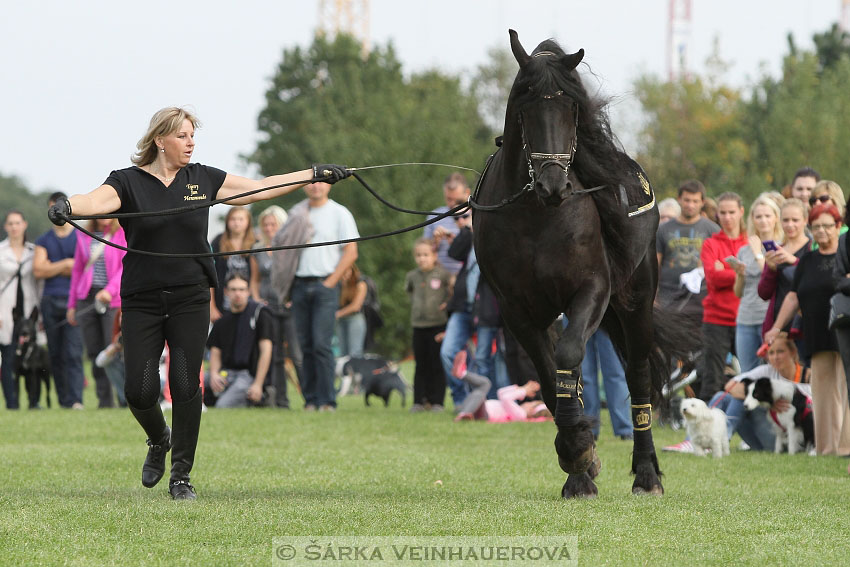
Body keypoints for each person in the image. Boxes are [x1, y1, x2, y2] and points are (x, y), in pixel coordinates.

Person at [47, 106, 350, 500]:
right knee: (138, 391)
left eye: (193, 136)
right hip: (141, 298)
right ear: (160, 140)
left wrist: (312, 174)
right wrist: (67, 207)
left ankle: (181, 476)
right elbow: (92, 200)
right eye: (183, 136)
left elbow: (260, 187)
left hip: (191, 295)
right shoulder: (127, 182)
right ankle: (159, 439)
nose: (191, 143)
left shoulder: (203, 178)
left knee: (186, 381)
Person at [766, 203, 850, 456]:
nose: (821, 231)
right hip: (817, 332)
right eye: (816, 227)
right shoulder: (807, 260)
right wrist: (776, 327)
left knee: (846, 389)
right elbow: (792, 297)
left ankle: (847, 446)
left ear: (838, 227)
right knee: (822, 392)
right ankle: (826, 448)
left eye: (827, 225)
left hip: (844, 327)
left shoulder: (844, 254)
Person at [291, 180, 359, 412]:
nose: (316, 186)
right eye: (311, 182)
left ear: (329, 185)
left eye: (320, 181)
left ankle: (327, 400)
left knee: (322, 344)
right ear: (304, 186)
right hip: (299, 284)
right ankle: (310, 400)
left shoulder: (340, 213)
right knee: (305, 345)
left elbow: (351, 251)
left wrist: (330, 282)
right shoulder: (297, 212)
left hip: (325, 284)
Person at [33, 192, 85, 409]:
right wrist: (65, 264)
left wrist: (52, 267)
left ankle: (76, 400)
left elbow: (82, 268)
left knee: (73, 352)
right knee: (55, 353)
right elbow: (38, 269)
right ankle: (63, 400)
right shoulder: (43, 240)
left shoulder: (81, 237)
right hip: (50, 300)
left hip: (74, 300)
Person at [68, 217, 125, 408]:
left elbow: (125, 266)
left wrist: (109, 291)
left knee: (112, 350)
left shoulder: (121, 233)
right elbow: (77, 270)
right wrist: (72, 305)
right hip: (87, 298)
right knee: (93, 351)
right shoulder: (84, 234)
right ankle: (104, 400)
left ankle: (124, 398)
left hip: (112, 299)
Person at [698, 192, 748, 402]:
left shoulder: (749, 243)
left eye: (732, 212)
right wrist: (739, 272)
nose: (727, 217)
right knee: (712, 377)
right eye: (723, 213)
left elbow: (757, 277)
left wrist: (725, 268)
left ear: (741, 212)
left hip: (745, 318)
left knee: (749, 373)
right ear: (717, 214)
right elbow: (713, 278)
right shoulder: (711, 244)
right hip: (716, 319)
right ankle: (704, 427)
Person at [206, 272, 273, 408]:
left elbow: (266, 351)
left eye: (242, 289)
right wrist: (213, 374)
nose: (238, 294)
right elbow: (215, 352)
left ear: (248, 291)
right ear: (226, 292)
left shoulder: (260, 314)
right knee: (194, 381)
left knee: (222, 406)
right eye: (233, 289)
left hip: (247, 376)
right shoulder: (222, 322)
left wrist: (258, 385)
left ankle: (258, 398)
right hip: (225, 373)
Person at [249, 205, 293, 409]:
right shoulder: (257, 249)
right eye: (265, 224)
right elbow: (255, 280)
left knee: (297, 354)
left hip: (289, 305)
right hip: (268, 306)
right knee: (275, 355)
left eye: (273, 224)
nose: (268, 228)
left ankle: (313, 399)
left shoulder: (291, 246)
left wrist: (293, 297)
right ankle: (281, 400)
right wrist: (256, 299)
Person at [732, 195, 783, 372]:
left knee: (773, 371)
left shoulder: (781, 247)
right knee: (747, 372)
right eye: (758, 216)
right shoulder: (743, 250)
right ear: (752, 218)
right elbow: (738, 293)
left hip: (768, 318)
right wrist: (739, 275)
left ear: (776, 217)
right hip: (745, 318)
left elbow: (771, 280)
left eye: (767, 216)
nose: (763, 221)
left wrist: (758, 253)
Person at [655, 180, 720, 317]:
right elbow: (654, 266)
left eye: (695, 201)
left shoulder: (712, 230)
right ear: (679, 199)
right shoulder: (663, 230)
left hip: (701, 298)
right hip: (668, 297)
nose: (690, 205)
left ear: (702, 202)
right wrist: (653, 298)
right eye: (687, 200)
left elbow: (720, 264)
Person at [405, 237, 452, 412]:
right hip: (418, 326)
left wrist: (446, 306)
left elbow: (451, 291)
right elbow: (409, 292)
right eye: (418, 255)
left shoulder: (443, 275)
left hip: (438, 325)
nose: (422, 258)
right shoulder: (412, 276)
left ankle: (437, 401)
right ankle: (419, 400)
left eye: (425, 254)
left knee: (436, 364)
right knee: (420, 364)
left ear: (434, 255)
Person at [0, 211, 39, 409]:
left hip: (29, 307)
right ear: (6, 226)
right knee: (8, 356)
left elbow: (38, 281)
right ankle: (11, 402)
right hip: (6, 310)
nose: (14, 227)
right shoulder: (1, 251)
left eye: (18, 223)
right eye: (10, 223)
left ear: (24, 224)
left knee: (32, 356)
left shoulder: (33, 251)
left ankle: (34, 402)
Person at [758, 198, 811, 340]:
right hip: (778, 325)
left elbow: (813, 280)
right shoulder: (777, 249)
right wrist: (770, 268)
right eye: (786, 220)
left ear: (805, 220)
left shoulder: (811, 248)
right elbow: (764, 293)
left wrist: (793, 261)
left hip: (804, 323)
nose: (790, 225)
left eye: (795, 220)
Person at [581, 329, 633, 440]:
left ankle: (624, 428)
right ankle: (589, 427)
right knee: (584, 374)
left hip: (608, 314)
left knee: (615, 371)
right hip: (575, 315)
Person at [210, 206, 255, 322]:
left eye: (241, 219)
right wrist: (212, 307)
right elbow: (210, 275)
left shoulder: (255, 243)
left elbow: (257, 278)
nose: (236, 223)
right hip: (223, 302)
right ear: (227, 222)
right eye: (233, 219)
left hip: (248, 301)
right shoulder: (218, 242)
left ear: (248, 222)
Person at [424, 172, 471, 275]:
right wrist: (435, 242)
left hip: (467, 278)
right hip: (440, 280)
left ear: (467, 193)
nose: (453, 204)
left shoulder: (477, 216)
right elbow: (423, 253)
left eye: (458, 200)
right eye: (449, 199)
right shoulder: (434, 216)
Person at [335, 264, 368, 357]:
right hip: (341, 321)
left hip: (355, 320)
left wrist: (337, 314)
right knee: (343, 353)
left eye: (347, 272)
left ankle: (356, 371)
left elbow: (356, 306)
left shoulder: (360, 284)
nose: (345, 275)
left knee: (355, 352)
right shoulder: (339, 285)